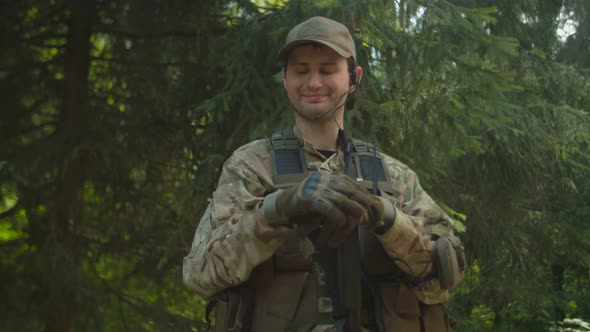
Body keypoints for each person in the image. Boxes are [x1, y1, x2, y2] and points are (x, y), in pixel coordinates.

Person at [183, 16, 465, 332]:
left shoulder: (394, 177)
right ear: (285, 78)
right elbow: (201, 274)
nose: (314, 83)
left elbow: (442, 277)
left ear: (353, 78)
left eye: (328, 70)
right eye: (301, 71)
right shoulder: (251, 166)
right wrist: (277, 210)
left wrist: (385, 217)